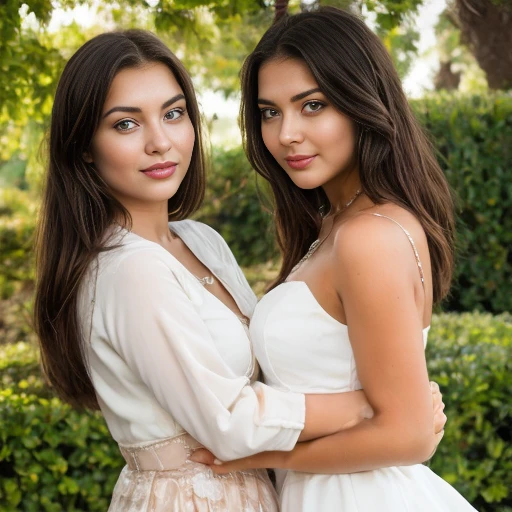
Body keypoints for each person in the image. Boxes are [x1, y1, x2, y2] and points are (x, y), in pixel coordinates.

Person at [33, 29, 445, 511]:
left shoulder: (203, 241)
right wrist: (370, 407)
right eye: (126, 124)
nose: (160, 142)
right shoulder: (130, 269)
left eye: (173, 113)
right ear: (84, 145)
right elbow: (228, 422)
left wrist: (394, 415)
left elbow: (259, 391)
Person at [190, 6, 478, 512]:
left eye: (313, 105)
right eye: (269, 111)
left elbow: (409, 434)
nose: (285, 134)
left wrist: (257, 454)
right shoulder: (336, 225)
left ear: (362, 101)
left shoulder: (369, 237)